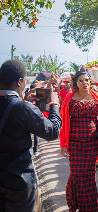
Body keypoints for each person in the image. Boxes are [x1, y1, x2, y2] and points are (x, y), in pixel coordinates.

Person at [0, 59, 62, 211]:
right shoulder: (23, 108)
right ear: (20, 81)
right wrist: (54, 105)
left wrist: (22, 101)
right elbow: (52, 131)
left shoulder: (21, 106)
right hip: (18, 180)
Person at [59, 71, 98, 212]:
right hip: (74, 144)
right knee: (78, 175)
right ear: (76, 83)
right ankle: (75, 203)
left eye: (87, 80)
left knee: (89, 177)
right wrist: (63, 145)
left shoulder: (97, 97)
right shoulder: (69, 98)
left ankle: (89, 208)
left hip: (92, 144)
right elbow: (63, 122)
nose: (85, 83)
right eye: (81, 81)